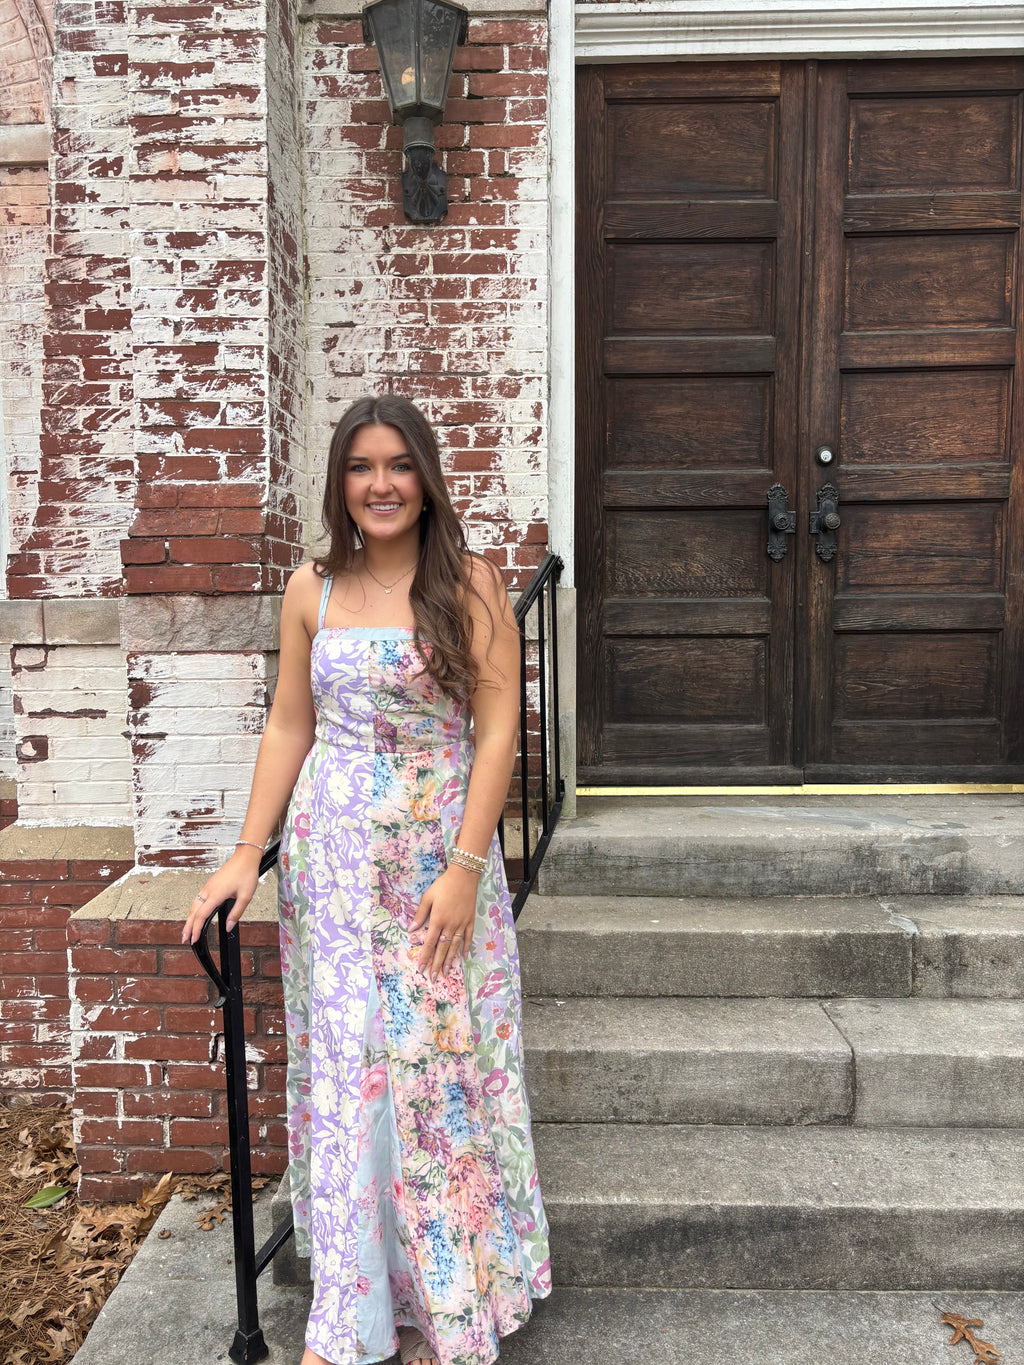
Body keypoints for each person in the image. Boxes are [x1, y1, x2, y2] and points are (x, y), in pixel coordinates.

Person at [181, 395, 551, 1365]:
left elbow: (499, 729)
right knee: (350, 1081)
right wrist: (241, 853)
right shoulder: (310, 588)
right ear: (340, 483)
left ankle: (441, 1308)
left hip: (436, 865)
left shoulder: (469, 584)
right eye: (360, 467)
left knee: (432, 1081)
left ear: (425, 479)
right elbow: (288, 728)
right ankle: (350, 1317)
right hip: (334, 875)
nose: (379, 484)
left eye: (397, 465)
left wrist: (470, 869)